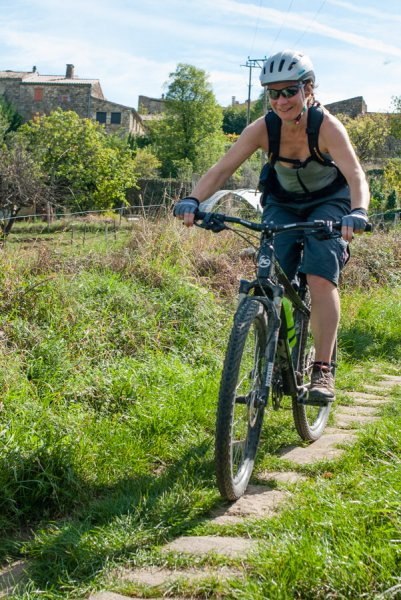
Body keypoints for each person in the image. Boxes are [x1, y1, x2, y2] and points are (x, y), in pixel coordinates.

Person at [173, 49, 370, 404]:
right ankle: (273, 352)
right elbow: (222, 168)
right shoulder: (263, 128)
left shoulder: (326, 126)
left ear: (308, 89)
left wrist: (358, 211)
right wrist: (193, 200)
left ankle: (322, 368)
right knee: (271, 274)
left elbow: (355, 173)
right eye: (273, 93)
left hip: (330, 203)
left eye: (289, 91)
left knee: (320, 276)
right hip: (282, 203)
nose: (281, 101)